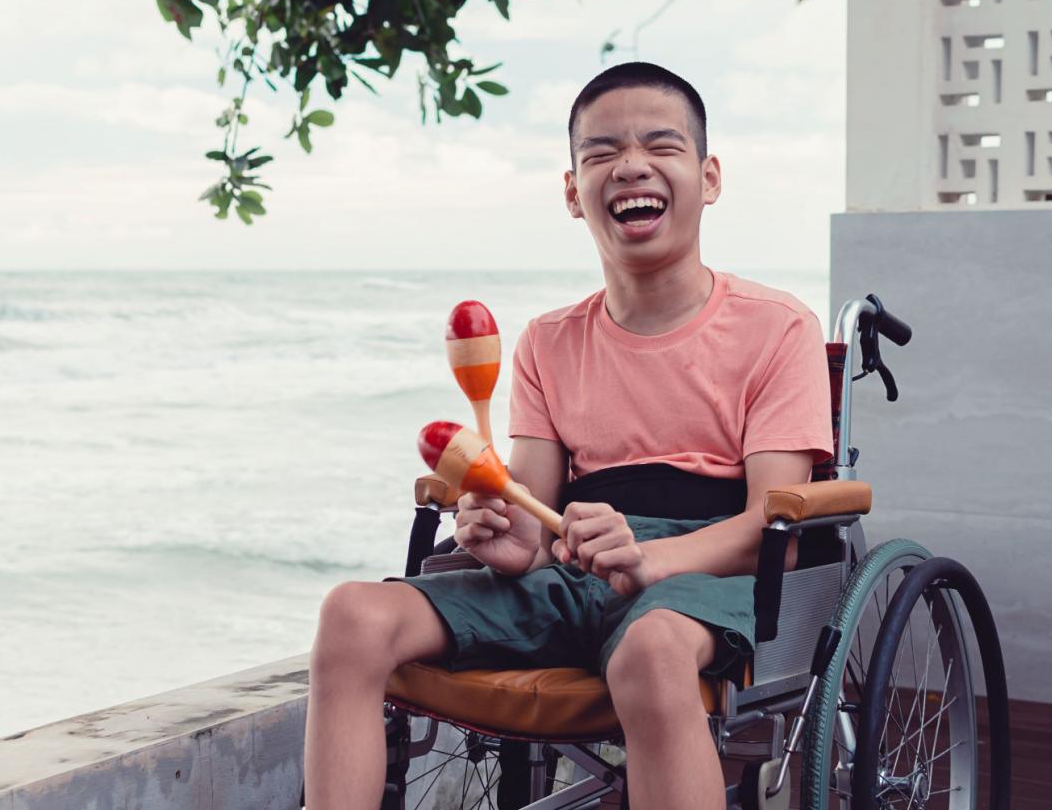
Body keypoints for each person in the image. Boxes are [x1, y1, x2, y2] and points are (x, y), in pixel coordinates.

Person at [304, 62, 833, 810]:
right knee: (352, 615)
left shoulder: (779, 328)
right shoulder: (547, 342)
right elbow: (532, 518)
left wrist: (647, 557)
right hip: (576, 572)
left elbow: (769, 529)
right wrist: (503, 532)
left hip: (710, 578)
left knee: (652, 652)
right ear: (571, 191)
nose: (630, 166)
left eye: (661, 145)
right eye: (601, 153)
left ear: (709, 177)